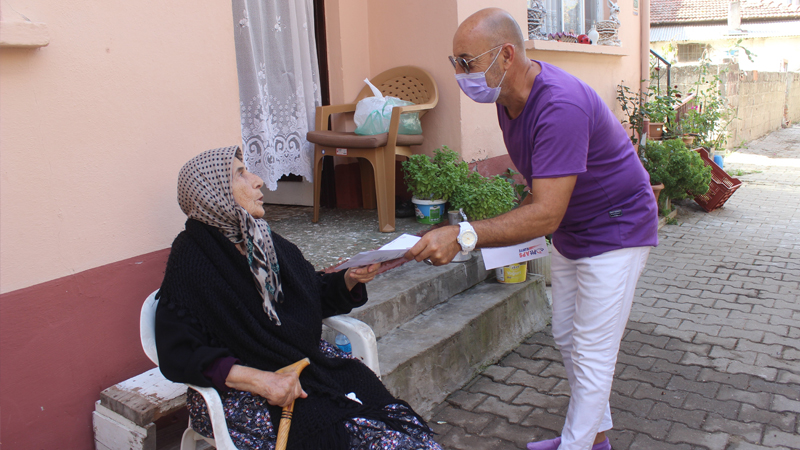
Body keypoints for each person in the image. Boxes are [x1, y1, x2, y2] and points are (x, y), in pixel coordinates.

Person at [405, 8, 658, 450]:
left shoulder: (559, 105)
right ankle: (596, 438)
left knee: (593, 351)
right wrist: (486, 235)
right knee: (567, 336)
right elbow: (541, 193)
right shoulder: (509, 102)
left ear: (506, 55)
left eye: (467, 62)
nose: (460, 75)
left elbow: (545, 215)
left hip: (618, 228)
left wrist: (465, 235)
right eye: (455, 63)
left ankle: (578, 445)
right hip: (574, 228)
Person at [156, 146, 442, 450]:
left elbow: (309, 294)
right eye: (240, 174)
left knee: (393, 426)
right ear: (213, 194)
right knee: (363, 437)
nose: (257, 180)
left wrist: (350, 278)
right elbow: (179, 354)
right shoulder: (191, 259)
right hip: (243, 392)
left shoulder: (261, 240)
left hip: (304, 367)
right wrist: (261, 380)